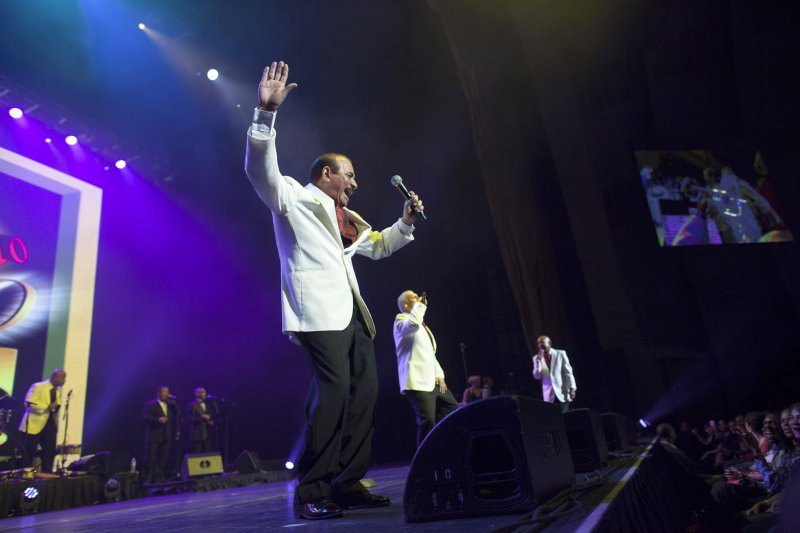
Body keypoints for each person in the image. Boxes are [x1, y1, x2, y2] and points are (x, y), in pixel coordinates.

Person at [244, 60, 423, 520]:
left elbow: (379, 247)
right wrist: (266, 113)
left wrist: (403, 224)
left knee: (364, 392)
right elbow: (259, 170)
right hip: (317, 313)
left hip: (353, 316)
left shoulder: (350, 220)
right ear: (326, 174)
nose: (355, 184)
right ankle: (311, 490)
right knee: (333, 393)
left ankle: (346, 482)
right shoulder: (292, 196)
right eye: (349, 176)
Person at [393, 290, 459, 447]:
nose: (418, 299)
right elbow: (413, 324)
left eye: (418, 297)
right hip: (417, 381)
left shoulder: (422, 325)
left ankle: (447, 449)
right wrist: (420, 307)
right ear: (405, 305)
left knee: (452, 411)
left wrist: (439, 375)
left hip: (433, 380)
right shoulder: (400, 320)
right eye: (413, 298)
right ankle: (422, 462)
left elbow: (430, 353)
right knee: (427, 420)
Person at [18, 369, 66, 473]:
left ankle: (47, 475)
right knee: (28, 451)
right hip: (34, 424)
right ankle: (25, 474)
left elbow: (54, 407)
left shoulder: (58, 391)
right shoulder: (38, 386)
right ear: (55, 377)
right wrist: (46, 407)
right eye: (63, 378)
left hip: (49, 423)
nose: (64, 381)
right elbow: (28, 403)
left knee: (49, 451)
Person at [142, 386, 180, 483]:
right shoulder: (150, 404)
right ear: (158, 393)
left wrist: (173, 401)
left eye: (168, 391)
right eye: (164, 391)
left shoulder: (170, 404)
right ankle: (148, 477)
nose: (166, 393)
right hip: (154, 434)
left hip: (166, 434)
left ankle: (159, 476)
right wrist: (157, 419)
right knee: (150, 456)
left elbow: (177, 413)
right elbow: (146, 417)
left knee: (163, 457)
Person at [531, 336, 576, 413]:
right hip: (549, 395)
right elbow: (537, 376)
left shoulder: (560, 353)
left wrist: (572, 388)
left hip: (563, 392)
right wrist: (538, 362)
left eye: (542, 342)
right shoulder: (536, 358)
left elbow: (568, 372)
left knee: (566, 416)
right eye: (538, 343)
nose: (540, 344)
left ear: (549, 343)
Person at [187, 387, 214, 453]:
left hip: (207, 432)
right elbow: (189, 418)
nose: (205, 394)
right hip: (197, 433)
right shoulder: (192, 404)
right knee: (197, 452)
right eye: (202, 392)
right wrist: (201, 417)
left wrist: (211, 421)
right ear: (197, 394)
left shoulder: (207, 404)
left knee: (207, 452)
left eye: (205, 392)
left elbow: (210, 415)